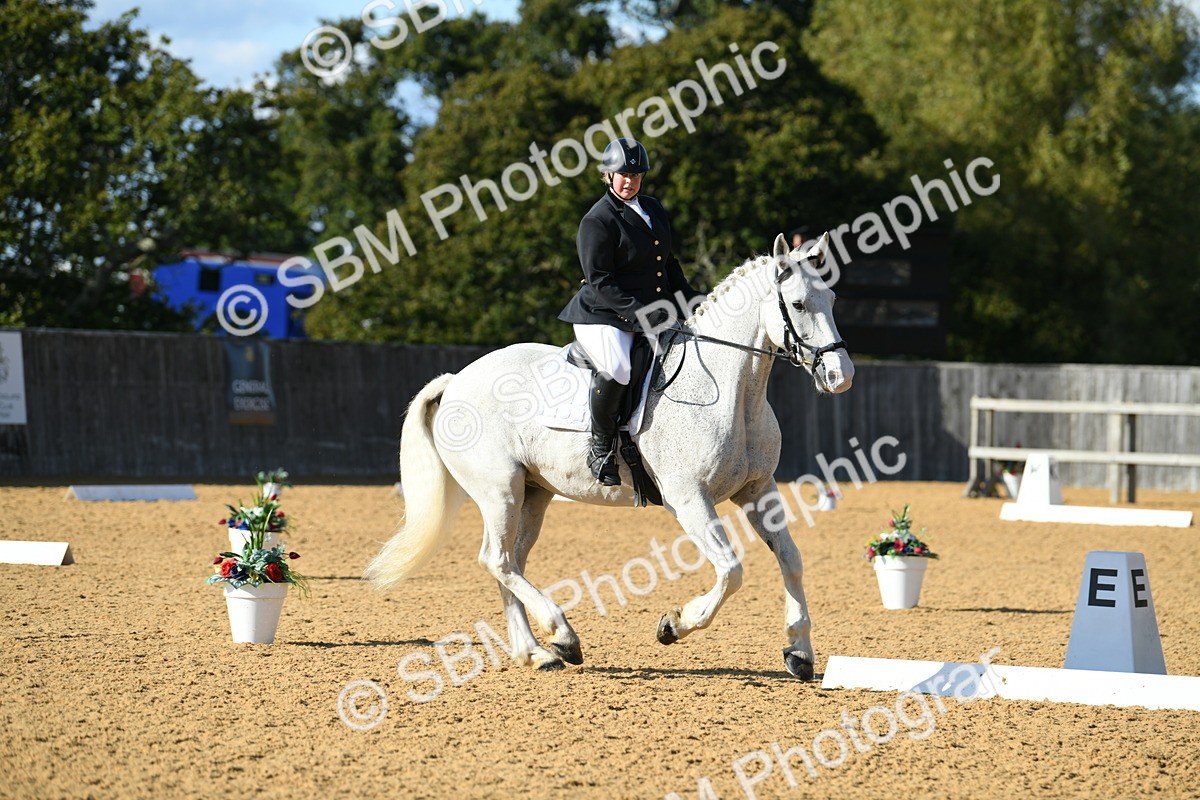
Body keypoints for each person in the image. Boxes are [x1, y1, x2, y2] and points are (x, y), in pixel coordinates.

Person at [558, 138, 705, 487]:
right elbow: (600, 281)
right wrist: (642, 314)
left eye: (636, 175)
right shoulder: (598, 220)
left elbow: (667, 264)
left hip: (650, 311)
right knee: (618, 368)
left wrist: (692, 301)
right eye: (624, 174)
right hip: (603, 314)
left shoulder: (652, 208)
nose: (630, 181)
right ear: (608, 175)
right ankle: (600, 448)